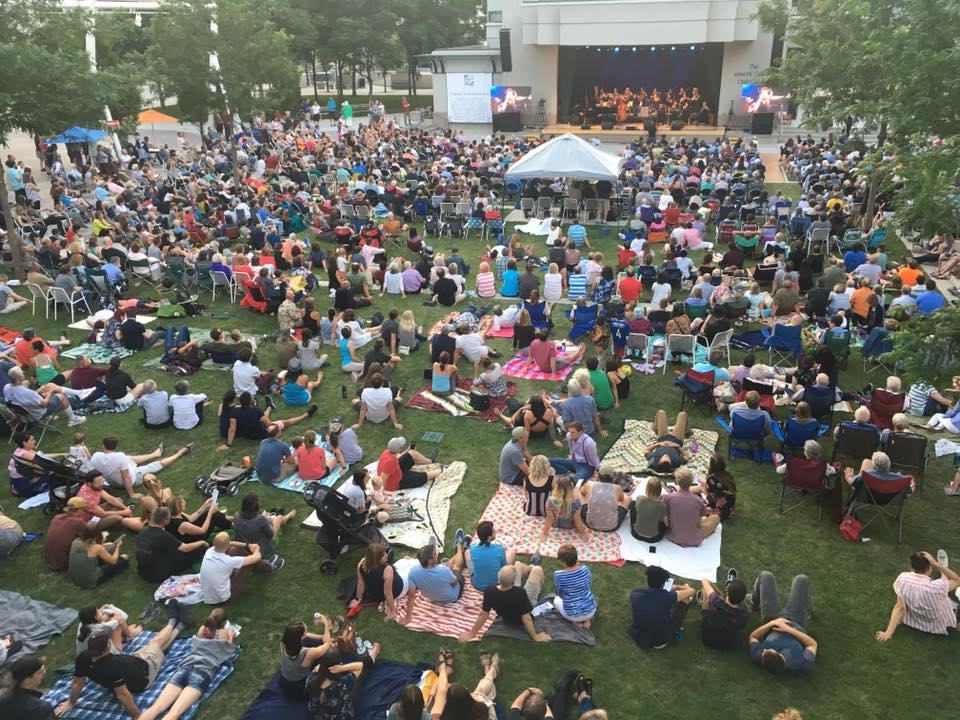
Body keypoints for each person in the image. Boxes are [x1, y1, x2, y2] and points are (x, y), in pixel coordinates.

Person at [56, 600, 192, 718]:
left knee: (157, 648)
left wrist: (71, 702)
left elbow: (76, 683)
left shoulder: (83, 658)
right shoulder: (113, 666)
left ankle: (180, 625)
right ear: (107, 647)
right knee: (155, 643)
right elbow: (123, 695)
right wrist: (138, 716)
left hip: (133, 662)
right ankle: (173, 621)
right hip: (144, 673)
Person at [136, 609, 238, 720]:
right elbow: (227, 652)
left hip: (184, 669)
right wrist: (231, 636)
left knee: (156, 708)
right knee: (173, 713)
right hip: (202, 673)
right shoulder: (223, 633)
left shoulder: (202, 629)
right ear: (223, 623)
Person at [876, 550, 960, 641]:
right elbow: (957, 580)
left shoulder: (902, 578)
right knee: (947, 588)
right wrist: (937, 564)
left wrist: (888, 632)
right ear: (929, 567)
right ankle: (943, 567)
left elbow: (899, 607)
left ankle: (943, 571)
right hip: (936, 623)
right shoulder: (935, 586)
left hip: (914, 620)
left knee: (942, 586)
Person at [460, 563, 550, 643]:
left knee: (517, 564)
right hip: (518, 617)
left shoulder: (490, 591)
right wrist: (535, 636)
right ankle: (534, 567)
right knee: (538, 569)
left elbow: (483, 614)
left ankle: (531, 565)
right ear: (513, 582)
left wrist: (472, 633)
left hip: (507, 613)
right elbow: (526, 618)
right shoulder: (520, 592)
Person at [749, 571, 817, 674]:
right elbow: (813, 644)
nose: (764, 650)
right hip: (797, 622)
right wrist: (788, 629)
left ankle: (753, 603)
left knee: (766, 576)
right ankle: (805, 612)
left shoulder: (759, 656)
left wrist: (773, 623)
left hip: (772, 619)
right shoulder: (801, 663)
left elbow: (753, 636)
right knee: (802, 579)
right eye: (767, 650)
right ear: (779, 653)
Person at [89, 435, 194, 499]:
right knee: (155, 465)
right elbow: (126, 477)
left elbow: (95, 474)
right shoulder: (119, 456)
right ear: (115, 446)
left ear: (103, 445)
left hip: (112, 483)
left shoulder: (96, 456)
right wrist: (132, 494)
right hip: (132, 479)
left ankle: (155, 454)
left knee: (128, 458)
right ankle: (180, 453)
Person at [401, 536, 469, 622]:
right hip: (453, 596)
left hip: (433, 598)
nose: (437, 555)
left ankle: (458, 553)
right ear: (429, 560)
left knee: (448, 565)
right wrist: (446, 576)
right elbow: (455, 581)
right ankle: (460, 548)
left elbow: (411, 596)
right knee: (456, 568)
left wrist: (408, 617)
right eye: (435, 554)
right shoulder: (442, 570)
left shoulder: (413, 572)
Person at [628, 565, 695, 650]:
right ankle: (677, 629)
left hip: (639, 635)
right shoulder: (667, 597)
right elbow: (692, 591)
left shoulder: (635, 593)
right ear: (663, 584)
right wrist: (678, 586)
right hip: (660, 640)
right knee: (685, 598)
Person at [135, 506, 209, 583]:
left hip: (143, 571)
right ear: (165, 520)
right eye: (169, 518)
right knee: (198, 550)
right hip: (158, 574)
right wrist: (201, 542)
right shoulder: (162, 535)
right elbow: (185, 548)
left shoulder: (144, 529)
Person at [3, 365, 86, 427]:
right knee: (61, 396)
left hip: (24, 414)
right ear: (20, 377)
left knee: (49, 387)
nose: (24, 373)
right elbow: (44, 404)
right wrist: (49, 394)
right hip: (37, 414)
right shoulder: (26, 392)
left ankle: (78, 393)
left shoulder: (6, 387)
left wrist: (38, 391)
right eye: (22, 373)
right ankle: (73, 419)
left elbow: (25, 399)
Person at [278, 615, 337, 700]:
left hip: (284, 682)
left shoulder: (283, 643)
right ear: (300, 637)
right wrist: (325, 622)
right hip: (298, 689)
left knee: (310, 642)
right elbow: (327, 645)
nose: (307, 632)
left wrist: (321, 637)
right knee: (328, 657)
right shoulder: (307, 653)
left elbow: (306, 635)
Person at [233, 493, 294, 572]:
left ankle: (284, 518)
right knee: (278, 518)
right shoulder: (260, 519)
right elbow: (270, 534)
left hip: (245, 547)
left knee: (271, 519)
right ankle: (286, 517)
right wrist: (267, 521)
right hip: (262, 548)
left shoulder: (236, 515)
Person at [664, 467, 719, 547]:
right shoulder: (698, 501)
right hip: (693, 538)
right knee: (716, 518)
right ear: (691, 481)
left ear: (677, 481)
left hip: (673, 535)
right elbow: (699, 523)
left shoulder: (668, 498)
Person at [351, 542, 406, 619]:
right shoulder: (387, 569)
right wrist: (392, 610)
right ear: (377, 558)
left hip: (376, 595)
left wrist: (357, 598)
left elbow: (361, 583)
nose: (386, 555)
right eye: (383, 555)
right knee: (407, 566)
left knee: (401, 564)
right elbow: (387, 593)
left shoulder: (362, 563)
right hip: (399, 590)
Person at [68, 523, 129, 588]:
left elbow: (89, 546)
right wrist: (117, 547)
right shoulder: (97, 548)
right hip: (90, 581)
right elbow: (113, 561)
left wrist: (104, 545)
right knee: (124, 557)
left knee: (102, 559)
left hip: (75, 578)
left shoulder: (75, 541)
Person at [699, 572, 749, 650]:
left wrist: (716, 590)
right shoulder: (743, 615)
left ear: (727, 592)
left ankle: (702, 602)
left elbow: (704, 581)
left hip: (708, 639)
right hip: (729, 645)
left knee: (705, 590)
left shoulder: (716, 603)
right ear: (742, 599)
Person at [553, 544, 597, 627]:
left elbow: (559, 593)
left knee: (556, 600)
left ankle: (576, 622)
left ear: (563, 561)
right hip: (591, 609)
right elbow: (589, 584)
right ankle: (587, 620)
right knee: (586, 596)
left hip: (572, 614)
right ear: (577, 558)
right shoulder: (585, 569)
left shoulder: (558, 575)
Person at [0, 654, 56, 719]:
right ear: (27, 680)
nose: (44, 672)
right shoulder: (41, 709)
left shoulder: (2, 699)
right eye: (40, 672)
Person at [377, 436, 441, 491]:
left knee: (412, 453)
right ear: (398, 450)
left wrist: (408, 450)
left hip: (396, 472)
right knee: (421, 477)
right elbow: (382, 479)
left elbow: (398, 457)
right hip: (396, 483)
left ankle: (430, 461)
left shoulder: (387, 452)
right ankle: (442, 470)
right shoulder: (391, 462)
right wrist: (383, 492)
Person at [44, 497, 90, 570]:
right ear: (80, 509)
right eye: (83, 509)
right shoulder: (78, 522)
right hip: (65, 563)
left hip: (50, 560)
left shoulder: (56, 517)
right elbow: (88, 539)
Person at [469, 520, 515, 591]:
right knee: (511, 552)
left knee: (466, 553)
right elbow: (503, 567)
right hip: (495, 585)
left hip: (477, 585)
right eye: (494, 531)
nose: (496, 531)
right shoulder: (499, 549)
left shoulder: (472, 548)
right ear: (489, 538)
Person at [541, 475, 587, 541]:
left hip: (556, 524)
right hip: (570, 525)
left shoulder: (550, 501)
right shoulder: (576, 503)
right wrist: (582, 533)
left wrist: (545, 533)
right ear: (571, 488)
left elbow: (549, 519)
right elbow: (577, 520)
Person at [630, 478, 669, 543]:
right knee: (662, 519)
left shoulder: (639, 498)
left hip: (636, 534)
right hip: (654, 538)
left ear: (647, 488)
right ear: (660, 490)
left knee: (633, 504)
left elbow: (638, 510)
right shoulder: (663, 506)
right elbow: (667, 524)